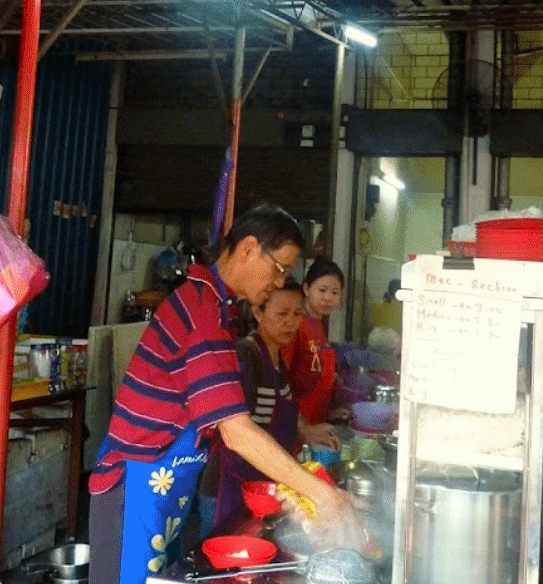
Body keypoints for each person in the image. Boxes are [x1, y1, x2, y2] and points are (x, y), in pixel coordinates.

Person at [88, 204, 355, 584]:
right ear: (248, 249)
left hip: (163, 492)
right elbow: (236, 431)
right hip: (132, 489)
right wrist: (322, 495)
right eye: (279, 268)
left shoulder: (216, 305)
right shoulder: (203, 313)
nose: (280, 282)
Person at [212, 282, 340, 524]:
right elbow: (235, 430)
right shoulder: (247, 355)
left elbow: (285, 405)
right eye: (282, 314)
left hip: (264, 481)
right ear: (259, 313)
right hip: (233, 485)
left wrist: (307, 431)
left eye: (297, 314)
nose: (291, 322)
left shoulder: (277, 355)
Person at [285, 259, 345, 426]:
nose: (328, 298)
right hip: (297, 425)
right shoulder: (295, 324)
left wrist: (329, 411)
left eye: (335, 292)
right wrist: (301, 426)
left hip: (317, 422)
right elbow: (282, 379)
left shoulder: (318, 324)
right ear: (306, 288)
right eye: (322, 290)